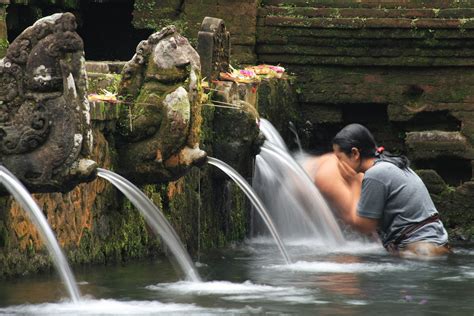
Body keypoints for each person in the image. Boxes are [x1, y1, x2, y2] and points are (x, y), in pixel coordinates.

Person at [309, 123, 451, 258]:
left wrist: (353, 183)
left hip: (420, 249)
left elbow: (364, 226)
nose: (339, 165)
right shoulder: (391, 163)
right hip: (436, 243)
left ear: (355, 153)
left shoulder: (375, 174)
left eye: (340, 158)